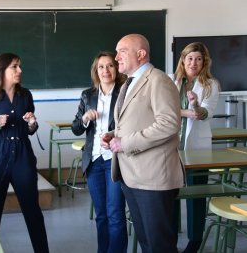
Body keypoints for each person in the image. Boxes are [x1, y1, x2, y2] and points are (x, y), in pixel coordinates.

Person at [101, 34, 185, 253]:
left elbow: (168, 124)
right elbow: (135, 121)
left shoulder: (158, 80)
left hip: (153, 178)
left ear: (141, 54)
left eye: (122, 51)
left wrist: (124, 143)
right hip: (132, 177)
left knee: (160, 245)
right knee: (147, 242)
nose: (116, 57)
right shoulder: (129, 83)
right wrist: (112, 135)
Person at [0, 53, 49, 253]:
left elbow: (29, 129)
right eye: (15, 67)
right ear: (1, 70)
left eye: (19, 66)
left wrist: (32, 123)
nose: (20, 71)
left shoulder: (26, 96)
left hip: (22, 156)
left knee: (32, 211)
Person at [72, 51, 128, 253]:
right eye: (101, 67)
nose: (106, 70)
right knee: (101, 214)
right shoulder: (88, 95)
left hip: (115, 159)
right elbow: (76, 127)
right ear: (96, 71)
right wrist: (85, 118)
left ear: (116, 68)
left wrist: (115, 137)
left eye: (110, 66)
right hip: (94, 160)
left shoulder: (125, 92)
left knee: (115, 214)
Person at [170, 42, 220, 253]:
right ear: (183, 59)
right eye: (190, 58)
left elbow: (205, 113)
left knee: (196, 195)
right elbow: (161, 109)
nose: (193, 63)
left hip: (197, 149)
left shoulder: (210, 84)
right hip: (171, 146)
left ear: (204, 62)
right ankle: (170, 238)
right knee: (169, 193)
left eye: (198, 59)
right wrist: (185, 111)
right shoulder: (171, 82)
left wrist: (195, 106)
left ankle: (194, 241)